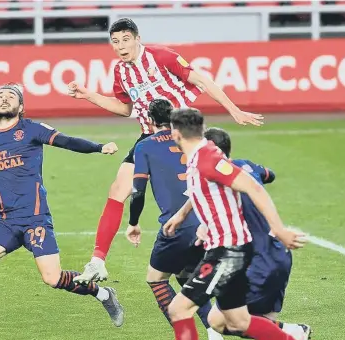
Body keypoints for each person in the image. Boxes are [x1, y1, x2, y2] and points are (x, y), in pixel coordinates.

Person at [67, 17, 264, 285]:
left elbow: (203, 81)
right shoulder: (120, 72)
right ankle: (98, 261)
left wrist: (234, 110)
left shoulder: (161, 56)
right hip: (150, 137)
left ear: (137, 38)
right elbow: (126, 109)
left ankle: (236, 244)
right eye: (115, 41)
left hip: (184, 136)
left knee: (204, 190)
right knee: (118, 190)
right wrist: (89, 95)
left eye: (125, 39)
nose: (121, 46)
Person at [0, 83, 124, 340]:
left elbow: (67, 141)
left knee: (53, 278)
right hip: (5, 220)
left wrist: (98, 147)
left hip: (35, 218)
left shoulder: (31, 130)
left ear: (21, 107)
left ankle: (104, 294)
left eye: (10, 96)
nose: (4, 99)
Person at [165, 108, 323, 340]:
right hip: (228, 249)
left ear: (175, 134)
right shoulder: (200, 156)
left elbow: (253, 188)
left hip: (228, 252)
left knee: (179, 309)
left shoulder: (208, 159)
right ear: (202, 129)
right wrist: (183, 214)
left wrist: (279, 230)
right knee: (238, 322)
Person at [125, 99, 229, 340]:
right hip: (206, 222)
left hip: (177, 226)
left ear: (149, 120)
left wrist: (133, 222)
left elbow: (138, 191)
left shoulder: (145, 145)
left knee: (156, 278)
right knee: (188, 278)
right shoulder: (193, 142)